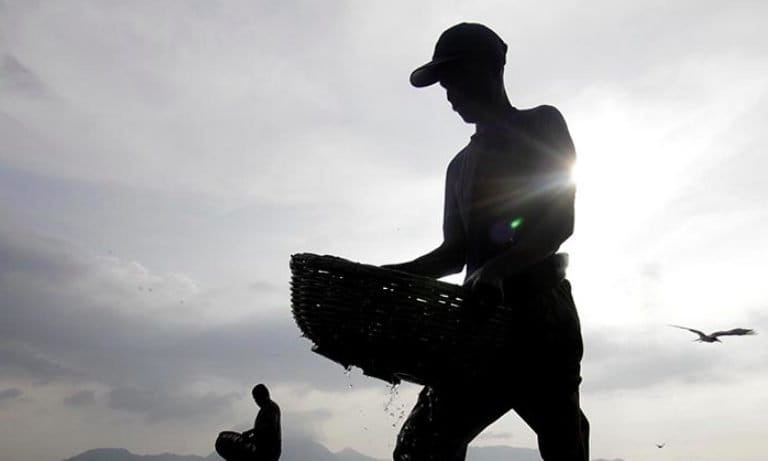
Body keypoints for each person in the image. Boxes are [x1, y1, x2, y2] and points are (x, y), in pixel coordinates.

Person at [382, 23, 589, 461]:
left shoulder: (542, 123)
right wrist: (388, 278)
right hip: (478, 326)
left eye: (454, 77)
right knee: (421, 446)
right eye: (443, 84)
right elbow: (453, 254)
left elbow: (559, 221)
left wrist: (496, 271)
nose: (449, 94)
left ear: (490, 69)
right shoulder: (459, 166)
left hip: (541, 320)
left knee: (563, 440)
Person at [215, 384, 281, 461]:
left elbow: (268, 429)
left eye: (256, 399)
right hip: (263, 449)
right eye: (255, 399)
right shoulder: (265, 409)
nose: (256, 402)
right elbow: (262, 429)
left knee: (225, 443)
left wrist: (250, 435)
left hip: (268, 452)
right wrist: (250, 434)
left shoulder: (272, 408)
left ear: (264, 396)